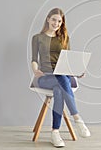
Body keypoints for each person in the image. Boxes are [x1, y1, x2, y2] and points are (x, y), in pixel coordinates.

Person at [31, 8, 91, 147]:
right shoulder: (37, 38)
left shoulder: (64, 38)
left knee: (60, 84)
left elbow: (68, 61)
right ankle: (76, 118)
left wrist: (77, 71)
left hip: (63, 76)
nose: (56, 23)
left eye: (59, 21)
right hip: (45, 77)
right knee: (59, 81)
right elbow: (34, 59)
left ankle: (55, 133)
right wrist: (35, 70)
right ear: (48, 19)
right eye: (54, 20)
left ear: (62, 23)